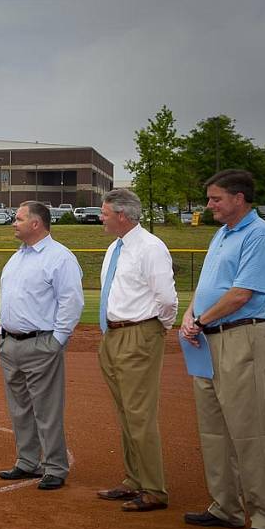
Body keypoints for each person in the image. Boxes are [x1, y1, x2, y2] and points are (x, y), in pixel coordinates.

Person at [180, 169, 265, 529]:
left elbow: (242, 293)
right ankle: (226, 507)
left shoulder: (259, 235)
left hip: (240, 336)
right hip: (208, 338)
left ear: (239, 198)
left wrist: (202, 320)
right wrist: (191, 315)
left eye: (215, 199)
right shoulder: (221, 234)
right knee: (213, 428)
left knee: (250, 430)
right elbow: (207, 286)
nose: (209, 206)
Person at [96, 189, 178, 512]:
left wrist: (157, 330)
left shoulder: (150, 248)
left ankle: (155, 489)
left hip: (139, 333)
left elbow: (167, 300)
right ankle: (134, 480)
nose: (100, 217)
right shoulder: (115, 248)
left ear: (122, 215)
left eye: (104, 212)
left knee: (140, 415)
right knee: (125, 413)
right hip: (113, 336)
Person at [0, 201, 84, 490]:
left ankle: (55, 467)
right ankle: (27, 461)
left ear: (36, 223)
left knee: (46, 409)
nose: (13, 222)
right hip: (11, 344)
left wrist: (57, 340)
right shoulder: (17, 257)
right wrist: (2, 331)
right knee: (19, 408)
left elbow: (71, 302)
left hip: (41, 343)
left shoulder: (60, 257)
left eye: (19, 218)